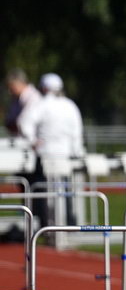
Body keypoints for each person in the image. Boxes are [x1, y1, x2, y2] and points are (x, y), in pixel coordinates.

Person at [16, 73, 85, 226]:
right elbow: (77, 133)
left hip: (45, 155)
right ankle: (69, 222)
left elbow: (23, 123)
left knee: (43, 192)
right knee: (65, 191)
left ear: (43, 88)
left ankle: (46, 224)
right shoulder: (70, 105)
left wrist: (32, 141)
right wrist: (77, 152)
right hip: (66, 157)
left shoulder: (40, 105)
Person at [5, 68, 42, 136]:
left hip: (30, 141)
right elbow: (9, 121)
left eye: (11, 87)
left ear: (18, 83)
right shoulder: (16, 99)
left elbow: (24, 122)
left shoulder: (33, 98)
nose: (9, 91)